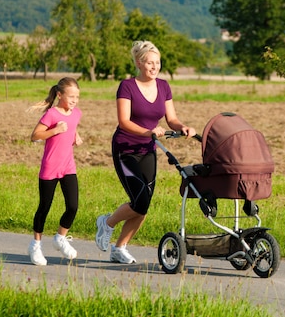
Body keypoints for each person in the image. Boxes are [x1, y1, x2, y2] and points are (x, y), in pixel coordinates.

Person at [95, 40, 195, 264]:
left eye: (157, 63)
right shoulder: (127, 86)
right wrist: (148, 130)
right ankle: (107, 223)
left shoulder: (164, 86)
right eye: (150, 62)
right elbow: (123, 122)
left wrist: (183, 127)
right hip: (126, 149)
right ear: (139, 63)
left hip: (148, 149)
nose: (154, 67)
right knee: (139, 200)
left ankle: (119, 248)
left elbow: (171, 119)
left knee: (144, 205)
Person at [27, 77, 83, 266]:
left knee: (73, 206)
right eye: (71, 96)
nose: (75, 100)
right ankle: (35, 245)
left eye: (77, 96)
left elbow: (72, 126)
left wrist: (75, 135)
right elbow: (35, 136)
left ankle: (60, 238)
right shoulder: (51, 114)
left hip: (68, 166)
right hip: (50, 166)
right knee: (44, 207)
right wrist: (55, 130)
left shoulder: (76, 113)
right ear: (59, 95)